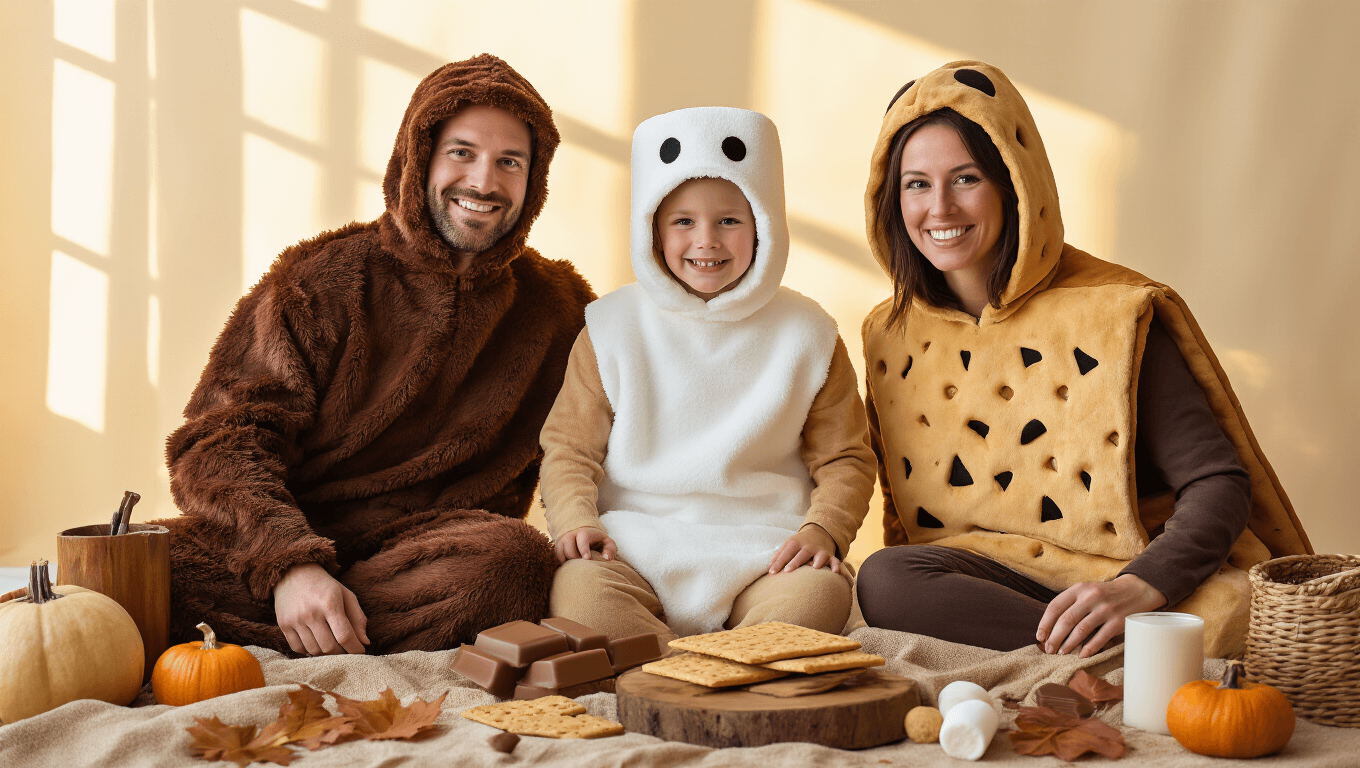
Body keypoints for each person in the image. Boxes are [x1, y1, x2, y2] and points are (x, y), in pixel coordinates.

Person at [853, 61, 1311, 659]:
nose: (940, 207)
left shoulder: (1114, 314)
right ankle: (1106, 651)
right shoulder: (890, 333)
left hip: (1134, 568)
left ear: (1015, 183)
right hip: (1003, 578)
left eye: (965, 179)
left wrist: (1136, 587)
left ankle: (1107, 637)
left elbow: (1218, 483)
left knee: (1230, 611)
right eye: (917, 184)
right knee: (884, 578)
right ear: (892, 199)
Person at [158, 54, 594, 656]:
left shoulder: (560, 308)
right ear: (418, 157)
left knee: (512, 565)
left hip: (438, 557)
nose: (484, 183)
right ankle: (317, 617)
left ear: (535, 178)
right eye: (461, 152)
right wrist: (289, 565)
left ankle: (313, 630)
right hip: (290, 534)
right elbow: (218, 442)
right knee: (127, 568)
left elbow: (609, 441)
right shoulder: (320, 279)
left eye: (509, 162)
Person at [540, 107, 876, 642]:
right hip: (633, 548)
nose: (706, 241)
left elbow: (847, 458)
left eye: (729, 220)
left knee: (822, 595)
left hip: (764, 553)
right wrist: (578, 522)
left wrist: (823, 530)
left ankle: (676, 659)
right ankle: (703, 667)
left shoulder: (808, 333)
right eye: (682, 221)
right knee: (580, 594)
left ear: (764, 223)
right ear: (651, 227)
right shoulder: (612, 326)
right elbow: (568, 447)